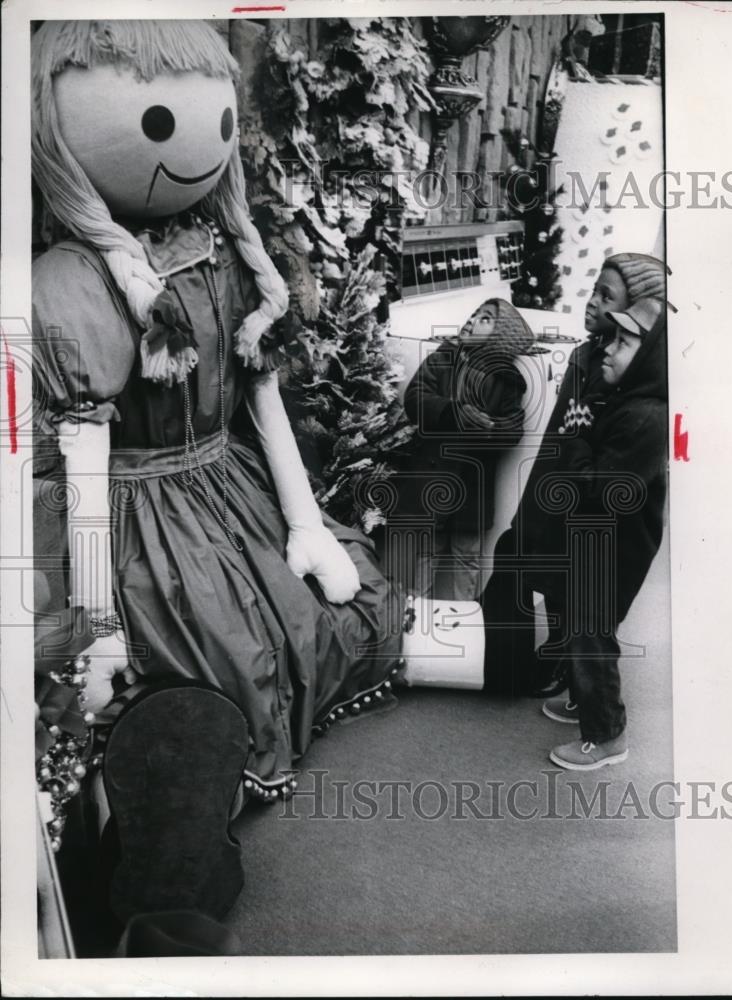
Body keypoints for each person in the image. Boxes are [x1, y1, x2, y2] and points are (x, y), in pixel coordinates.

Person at [31, 20, 402, 920]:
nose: (205, 144)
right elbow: (81, 457)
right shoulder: (74, 282)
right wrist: (92, 617)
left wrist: (307, 522)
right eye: (159, 119)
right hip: (133, 507)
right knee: (219, 661)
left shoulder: (225, 256)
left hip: (223, 476)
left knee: (329, 604)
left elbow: (259, 398)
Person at [482, 295, 668, 769]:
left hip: (615, 549)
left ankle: (606, 736)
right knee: (582, 621)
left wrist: (580, 441)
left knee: (592, 632)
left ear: (650, 358)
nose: (609, 349)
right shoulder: (624, 400)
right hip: (594, 540)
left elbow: (603, 490)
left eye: (624, 344)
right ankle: (587, 701)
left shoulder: (645, 417)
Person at [400, 298, 535, 601]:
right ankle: (416, 621)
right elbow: (415, 396)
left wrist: (489, 429)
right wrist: (451, 412)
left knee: (467, 558)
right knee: (426, 553)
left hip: (472, 492)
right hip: (435, 480)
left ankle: (464, 627)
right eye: (474, 312)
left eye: (485, 318)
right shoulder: (445, 356)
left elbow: (514, 429)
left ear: (500, 335)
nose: (472, 318)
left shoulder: (507, 380)